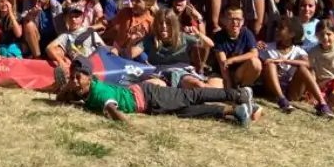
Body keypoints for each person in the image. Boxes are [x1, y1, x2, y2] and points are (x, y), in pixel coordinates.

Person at [58, 55, 260, 127]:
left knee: (191, 96)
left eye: (78, 78)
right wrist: (67, 86)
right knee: (185, 111)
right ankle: (235, 111)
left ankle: (238, 95)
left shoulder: (98, 92)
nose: (75, 82)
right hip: (149, 104)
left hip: (149, 96)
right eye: (73, 77)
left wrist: (130, 129)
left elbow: (112, 110)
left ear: (90, 77)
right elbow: (62, 99)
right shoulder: (83, 89)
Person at [260, 18, 333, 117]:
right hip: (271, 90)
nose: (277, 30)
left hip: (292, 91)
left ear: (291, 34)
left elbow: (308, 64)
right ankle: (281, 99)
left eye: (281, 28)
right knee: (270, 65)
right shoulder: (267, 47)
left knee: (303, 68)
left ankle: (322, 104)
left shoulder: (298, 51)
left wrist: (284, 61)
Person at [213, 5, 261, 88]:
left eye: (238, 19)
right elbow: (223, 63)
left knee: (256, 63)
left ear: (243, 21)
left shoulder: (246, 33)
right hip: (223, 73)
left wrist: (233, 60)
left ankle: (243, 88)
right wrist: (228, 84)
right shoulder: (219, 36)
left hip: (240, 71)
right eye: (231, 19)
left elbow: (254, 53)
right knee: (213, 87)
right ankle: (232, 89)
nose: (235, 22)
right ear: (223, 20)